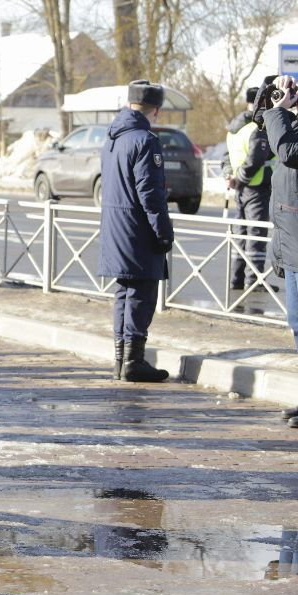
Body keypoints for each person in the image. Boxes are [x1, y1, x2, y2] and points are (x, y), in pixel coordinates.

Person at [98, 80, 174, 383]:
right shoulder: (145, 139)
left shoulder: (113, 137)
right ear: (155, 109)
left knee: (124, 293)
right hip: (138, 230)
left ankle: (120, 360)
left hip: (116, 229)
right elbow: (150, 193)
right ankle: (134, 360)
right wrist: (163, 231)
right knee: (142, 293)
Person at [261, 76, 298, 429]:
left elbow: (288, 151)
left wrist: (279, 112)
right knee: (297, 326)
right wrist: (273, 93)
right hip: (292, 250)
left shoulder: (290, 133)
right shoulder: (287, 124)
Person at [224, 87, 274, 291]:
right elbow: (254, 161)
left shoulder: (234, 128)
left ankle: (236, 278)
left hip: (240, 190)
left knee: (241, 233)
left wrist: (230, 176)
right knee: (256, 235)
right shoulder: (256, 128)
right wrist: (241, 180)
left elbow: (226, 157)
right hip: (256, 188)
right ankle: (253, 281)